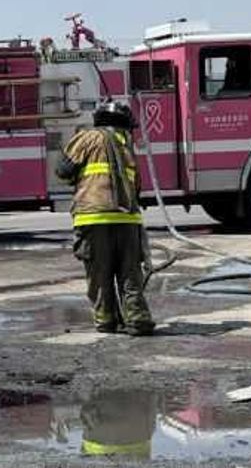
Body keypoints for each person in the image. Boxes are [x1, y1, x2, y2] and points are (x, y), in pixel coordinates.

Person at [56, 102, 156, 336]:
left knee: (99, 274)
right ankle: (137, 318)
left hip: (93, 218)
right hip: (128, 220)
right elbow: (137, 187)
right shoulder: (126, 146)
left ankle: (106, 320)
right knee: (130, 273)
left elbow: (63, 171)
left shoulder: (87, 138)